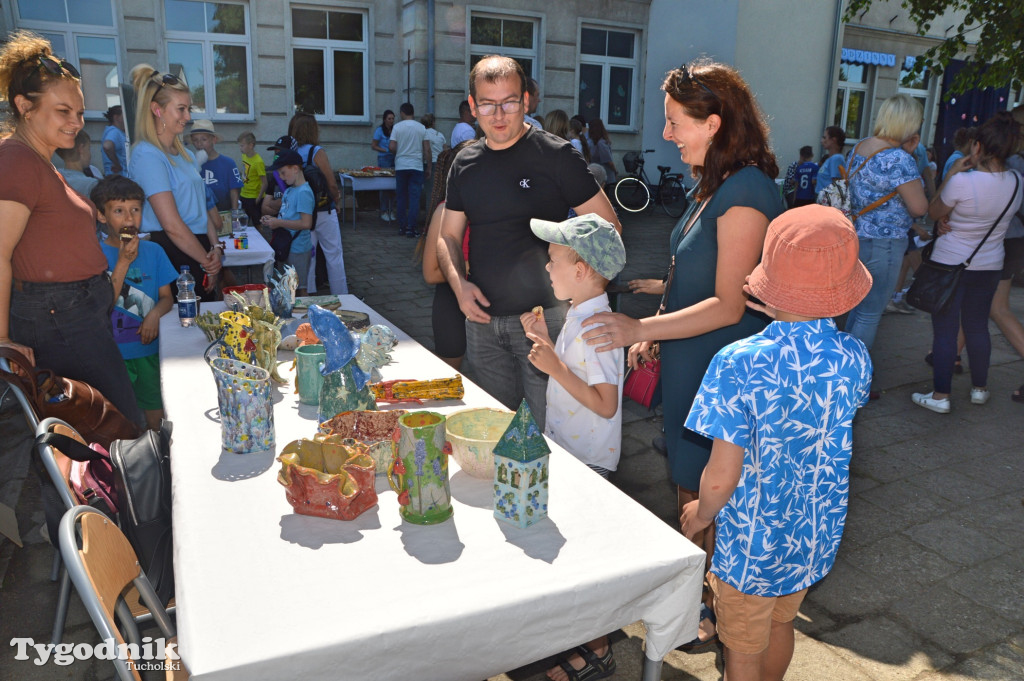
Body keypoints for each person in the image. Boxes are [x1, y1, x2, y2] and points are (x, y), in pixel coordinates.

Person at [581, 59, 785, 649]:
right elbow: (694, 277)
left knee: (709, 487)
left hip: (717, 360)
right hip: (692, 355)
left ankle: (721, 616)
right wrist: (657, 325)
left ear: (714, 123)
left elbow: (728, 304)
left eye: (675, 123)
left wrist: (638, 325)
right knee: (689, 480)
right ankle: (696, 605)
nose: (667, 135)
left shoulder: (746, 189)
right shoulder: (717, 183)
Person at [681, 205, 873, 681]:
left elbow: (722, 475)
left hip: (752, 545)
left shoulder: (738, 363)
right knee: (782, 622)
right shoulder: (855, 355)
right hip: (813, 535)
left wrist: (701, 514)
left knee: (741, 648)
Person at [437, 54, 619, 436]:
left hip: (546, 322)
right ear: (472, 106)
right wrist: (459, 287)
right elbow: (448, 237)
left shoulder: (556, 156)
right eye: (487, 104)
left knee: (551, 438)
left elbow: (609, 228)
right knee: (491, 433)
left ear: (526, 101)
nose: (499, 114)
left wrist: (584, 299)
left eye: (509, 102)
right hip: (483, 325)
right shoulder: (465, 163)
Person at [0, 30, 143, 426]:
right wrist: (2, 339)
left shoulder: (43, 162)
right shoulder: (16, 160)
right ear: (24, 106)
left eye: (79, 113)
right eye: (63, 111)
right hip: (59, 319)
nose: (76, 123)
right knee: (122, 424)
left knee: (95, 426)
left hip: (77, 314)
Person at [519, 213, 625, 681]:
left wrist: (555, 369)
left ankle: (597, 651)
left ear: (581, 268)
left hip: (588, 464)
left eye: (554, 260)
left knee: (589, 560)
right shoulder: (580, 315)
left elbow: (605, 403)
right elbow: (577, 376)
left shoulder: (596, 326)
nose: (547, 268)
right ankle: (582, 643)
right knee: (578, 554)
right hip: (570, 452)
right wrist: (545, 344)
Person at [911, 111, 1022, 414]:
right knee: (977, 327)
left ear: (977, 147)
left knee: (946, 331)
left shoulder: (963, 182)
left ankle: (941, 395)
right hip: (990, 263)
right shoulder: (1016, 181)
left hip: (951, 263)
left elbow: (933, 212)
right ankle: (980, 390)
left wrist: (949, 175)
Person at [126, 63, 222, 301]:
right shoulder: (147, 154)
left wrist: (215, 248)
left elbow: (202, 210)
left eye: (188, 108)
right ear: (157, 110)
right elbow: (170, 224)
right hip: (171, 253)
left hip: (196, 249)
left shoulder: (185, 154)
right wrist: (207, 261)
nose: (188, 117)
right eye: (181, 109)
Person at [842, 94, 928, 356]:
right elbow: (919, 208)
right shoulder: (899, 159)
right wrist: (910, 155)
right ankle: (855, 380)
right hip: (885, 244)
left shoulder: (860, 147)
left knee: (855, 309)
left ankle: (842, 372)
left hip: (855, 238)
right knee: (870, 313)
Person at [93, 176, 177, 431]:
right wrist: (123, 262)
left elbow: (166, 298)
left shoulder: (154, 252)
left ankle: (160, 459)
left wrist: (154, 315)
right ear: (102, 216)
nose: (129, 219)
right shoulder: (93, 254)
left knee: (155, 414)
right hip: (112, 356)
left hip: (147, 352)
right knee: (118, 418)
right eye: (119, 211)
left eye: (135, 210)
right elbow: (102, 305)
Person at [421, 140, 472, 369]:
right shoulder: (445, 211)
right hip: (451, 302)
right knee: (451, 377)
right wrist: (472, 268)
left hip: (488, 304)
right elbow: (431, 274)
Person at [289, 112, 348, 295]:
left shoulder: (289, 153)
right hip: (323, 210)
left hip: (301, 211)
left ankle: (309, 294)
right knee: (333, 254)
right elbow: (331, 182)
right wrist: (336, 200)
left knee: (309, 255)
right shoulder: (316, 152)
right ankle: (342, 295)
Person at [260, 149, 315, 297]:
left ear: (295, 169)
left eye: (283, 173)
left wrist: (278, 222)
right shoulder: (291, 191)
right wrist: (270, 219)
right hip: (287, 245)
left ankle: (306, 317)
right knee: (289, 288)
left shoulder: (303, 192)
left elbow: (306, 223)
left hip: (298, 248)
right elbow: (286, 214)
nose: (281, 178)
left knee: (300, 288)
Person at [389, 102, 431, 238]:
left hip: (401, 165)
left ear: (402, 112)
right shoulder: (421, 128)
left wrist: (399, 152)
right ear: (413, 112)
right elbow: (427, 149)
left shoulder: (397, 127)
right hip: (416, 166)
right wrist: (429, 167)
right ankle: (412, 228)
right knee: (414, 198)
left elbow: (392, 147)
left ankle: (402, 226)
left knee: (401, 197)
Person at [190, 119, 242, 212]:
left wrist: (235, 212)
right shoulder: (190, 164)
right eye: (195, 140)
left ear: (214, 140)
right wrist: (195, 165)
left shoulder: (228, 163)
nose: (199, 144)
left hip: (223, 212)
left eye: (204, 139)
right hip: (199, 214)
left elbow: (234, 190)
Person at [56, 130, 101, 198]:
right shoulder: (91, 185)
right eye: (88, 149)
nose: (90, 155)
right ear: (81, 149)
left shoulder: (54, 176)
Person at [237, 131, 267, 229]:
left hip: (254, 197)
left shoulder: (258, 161)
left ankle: (262, 242)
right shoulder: (244, 156)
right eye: (240, 146)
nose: (240, 148)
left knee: (257, 223)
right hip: (244, 194)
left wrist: (258, 198)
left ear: (251, 145)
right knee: (241, 223)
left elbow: (264, 182)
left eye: (242, 146)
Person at [371, 109, 396, 221]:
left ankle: (392, 210)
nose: (391, 121)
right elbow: (374, 145)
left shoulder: (395, 129)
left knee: (394, 186)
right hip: (384, 158)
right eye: (389, 119)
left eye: (393, 119)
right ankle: (383, 210)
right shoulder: (379, 130)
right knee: (384, 185)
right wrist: (385, 150)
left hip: (394, 158)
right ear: (385, 119)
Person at [585, 118, 617, 188]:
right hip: (604, 175)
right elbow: (608, 161)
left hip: (598, 174)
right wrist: (615, 171)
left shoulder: (592, 142)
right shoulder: (601, 143)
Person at [816, 125, 846, 194]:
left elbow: (837, 185)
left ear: (833, 140)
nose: (822, 141)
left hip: (827, 201)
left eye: (824, 137)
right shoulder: (830, 159)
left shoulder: (836, 159)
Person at [101, 104, 127, 176]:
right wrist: (117, 164)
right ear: (116, 117)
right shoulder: (114, 131)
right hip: (118, 178)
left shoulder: (118, 132)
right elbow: (107, 146)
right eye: (124, 115)